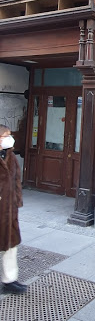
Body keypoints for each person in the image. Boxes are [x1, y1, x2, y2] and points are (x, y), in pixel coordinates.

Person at [0, 124, 27, 294]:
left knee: (10, 246)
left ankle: (10, 280)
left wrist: (17, 201)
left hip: (9, 210)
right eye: (6, 135)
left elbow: (17, 180)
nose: (10, 138)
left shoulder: (11, 156)